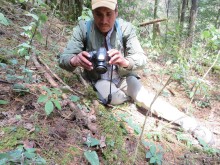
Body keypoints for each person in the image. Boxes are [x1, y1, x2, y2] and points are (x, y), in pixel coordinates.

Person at [59, 0, 214, 145]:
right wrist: (75, 60)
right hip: (99, 80)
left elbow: (141, 58)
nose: (104, 20)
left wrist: (126, 62)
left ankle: (190, 124)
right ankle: (128, 97)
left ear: (116, 12)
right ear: (93, 13)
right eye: (99, 14)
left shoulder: (125, 29)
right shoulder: (84, 28)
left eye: (109, 14)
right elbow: (64, 58)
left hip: (123, 77)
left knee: (145, 96)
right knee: (107, 94)